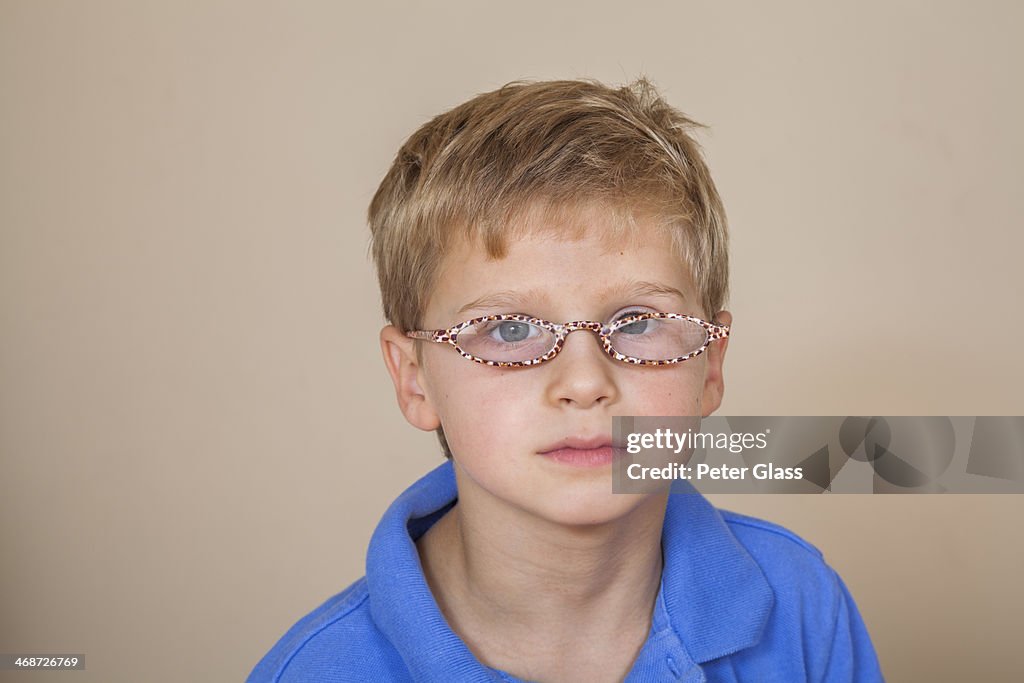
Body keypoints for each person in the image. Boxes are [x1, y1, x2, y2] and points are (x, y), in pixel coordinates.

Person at [247, 78, 884, 682]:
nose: (583, 383)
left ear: (710, 365)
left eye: (637, 322)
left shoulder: (801, 606)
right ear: (414, 379)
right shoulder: (310, 670)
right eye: (510, 329)